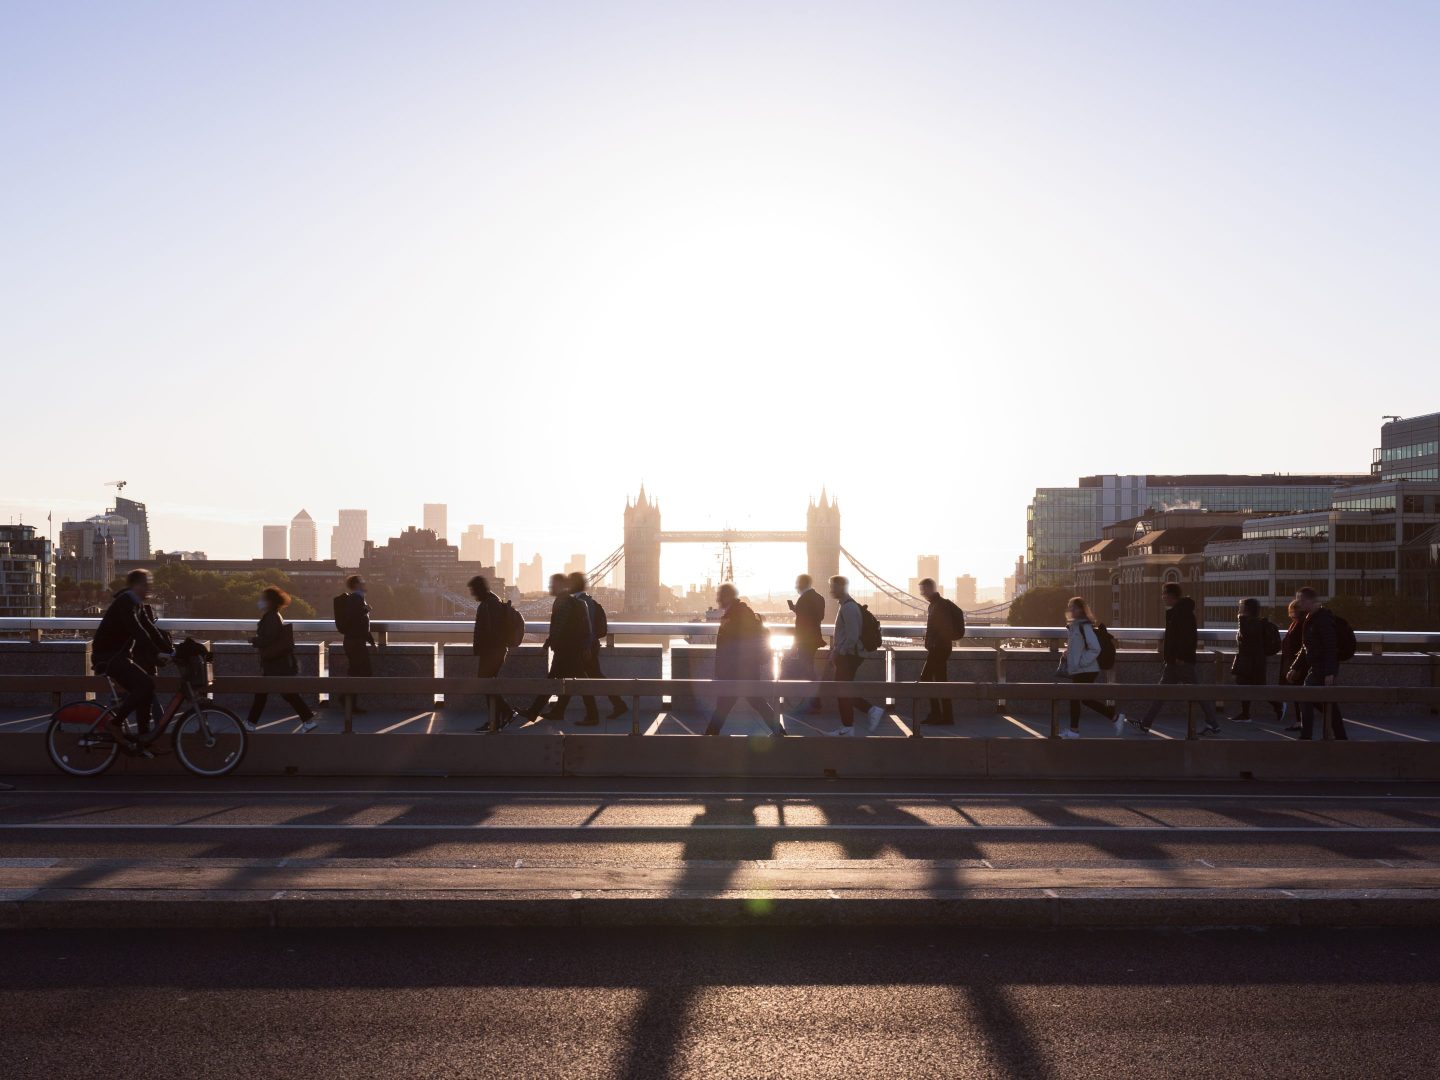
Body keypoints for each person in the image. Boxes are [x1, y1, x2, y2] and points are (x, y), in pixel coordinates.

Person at [1123, 582, 1220, 737]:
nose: (1163, 597)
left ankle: (1146, 724)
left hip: (1180, 662)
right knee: (1175, 692)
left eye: (1164, 594)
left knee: (1192, 692)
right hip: (1176, 662)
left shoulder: (1181, 613)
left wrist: (1179, 657)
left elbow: (1186, 637)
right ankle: (1146, 723)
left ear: (1171, 595)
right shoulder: (1180, 611)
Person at [91, 569, 174, 738]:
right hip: (108, 657)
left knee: (145, 690)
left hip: (118, 656)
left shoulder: (136, 603)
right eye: (145, 585)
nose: (148, 588)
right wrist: (157, 654)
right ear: (135, 585)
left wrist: (171, 650)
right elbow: (138, 631)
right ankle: (115, 724)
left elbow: (150, 629)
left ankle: (144, 738)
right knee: (145, 685)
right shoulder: (125, 602)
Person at [704, 583, 784, 737]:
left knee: (727, 705)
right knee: (752, 703)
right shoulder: (738, 613)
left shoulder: (738, 615)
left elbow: (738, 645)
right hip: (742, 670)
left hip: (738, 671)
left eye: (720, 595)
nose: (717, 599)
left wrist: (725, 669)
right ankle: (780, 733)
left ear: (727, 596)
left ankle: (709, 736)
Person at [523, 574, 596, 725]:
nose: (550, 587)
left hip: (566, 651)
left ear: (561, 586)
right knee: (565, 682)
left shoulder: (563, 602)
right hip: (569, 649)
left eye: (553, 584)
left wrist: (550, 644)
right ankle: (555, 712)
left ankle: (592, 716)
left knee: (574, 683)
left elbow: (559, 627)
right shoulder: (569, 602)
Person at [244, 586, 317, 732]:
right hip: (277, 663)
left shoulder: (271, 617)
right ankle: (308, 720)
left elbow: (269, 638)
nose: (260, 601)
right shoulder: (274, 615)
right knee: (283, 693)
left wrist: (254, 640)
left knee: (275, 693)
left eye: (263, 599)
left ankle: (251, 723)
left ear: (269, 601)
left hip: (276, 664)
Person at [1059, 596, 1128, 738]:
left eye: (1073, 607)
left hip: (1087, 669)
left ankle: (1074, 731)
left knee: (1075, 698)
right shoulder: (1075, 626)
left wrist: (1081, 661)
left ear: (1080, 610)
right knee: (1084, 699)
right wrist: (1069, 653)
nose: (1070, 609)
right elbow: (1080, 647)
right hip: (1082, 669)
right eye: (1069, 606)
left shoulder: (1084, 626)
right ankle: (1114, 717)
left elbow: (1095, 648)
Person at [828, 575, 887, 736]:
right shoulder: (847, 606)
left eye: (832, 587)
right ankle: (849, 726)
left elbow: (852, 636)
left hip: (849, 656)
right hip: (848, 655)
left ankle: (868, 712)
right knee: (842, 690)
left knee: (841, 690)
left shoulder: (848, 607)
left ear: (841, 587)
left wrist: (839, 652)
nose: (831, 590)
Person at [564, 572, 628, 721]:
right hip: (589, 646)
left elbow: (588, 628)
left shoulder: (580, 603)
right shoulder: (590, 602)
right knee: (593, 678)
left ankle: (596, 713)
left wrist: (585, 648)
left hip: (585, 648)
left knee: (589, 679)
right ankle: (616, 705)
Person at [1291, 587, 1348, 740]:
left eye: (1302, 600)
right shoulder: (1310, 618)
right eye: (1298, 600)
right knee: (1326, 703)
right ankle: (1340, 736)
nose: (1299, 603)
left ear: (1312, 601)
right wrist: (1295, 667)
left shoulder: (1323, 619)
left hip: (1323, 669)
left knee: (1307, 697)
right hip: (1316, 668)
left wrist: (1330, 672)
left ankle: (1306, 735)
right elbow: (1306, 647)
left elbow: (1331, 647)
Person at [468, 575, 519, 731]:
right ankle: (495, 719)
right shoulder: (493, 601)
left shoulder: (488, 605)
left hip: (491, 651)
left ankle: (506, 713)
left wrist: (481, 648)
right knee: (489, 684)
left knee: (486, 684)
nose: (472, 594)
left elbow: (489, 631)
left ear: (479, 590)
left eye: (473, 591)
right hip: (496, 650)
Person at [1228, 598, 1283, 723]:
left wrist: (1241, 618)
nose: (1239, 608)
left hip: (1252, 662)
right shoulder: (1253, 622)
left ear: (1247, 609)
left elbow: (1246, 636)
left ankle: (1278, 705)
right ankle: (1245, 714)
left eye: (1241, 606)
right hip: (1251, 660)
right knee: (1245, 687)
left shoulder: (1250, 623)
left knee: (1258, 689)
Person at [916, 578, 962, 726]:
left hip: (939, 649)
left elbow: (943, 628)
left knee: (925, 680)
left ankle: (936, 714)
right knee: (941, 682)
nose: (921, 593)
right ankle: (946, 717)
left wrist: (933, 642)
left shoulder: (939, 606)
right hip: (940, 648)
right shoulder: (934, 605)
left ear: (930, 589)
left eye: (923, 590)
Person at [783, 574, 826, 714]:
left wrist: (794, 643)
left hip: (805, 640)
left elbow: (802, 624)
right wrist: (797, 610)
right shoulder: (819, 597)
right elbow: (817, 617)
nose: (796, 587)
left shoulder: (803, 599)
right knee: (808, 668)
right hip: (814, 639)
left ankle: (814, 702)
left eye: (797, 584)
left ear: (802, 584)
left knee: (807, 669)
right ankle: (814, 701)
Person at [334, 574, 375, 715]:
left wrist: (371, 642)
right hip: (355, 642)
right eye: (362, 581)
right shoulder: (355, 599)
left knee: (356, 672)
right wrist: (364, 610)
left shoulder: (357, 598)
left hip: (354, 642)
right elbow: (355, 620)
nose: (365, 583)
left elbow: (361, 624)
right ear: (356, 584)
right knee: (362, 673)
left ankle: (350, 703)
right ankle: (345, 699)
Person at [1278, 599, 1306, 731]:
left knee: (1299, 693)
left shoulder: (1301, 624)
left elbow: (1300, 645)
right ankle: (1300, 720)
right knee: (1298, 693)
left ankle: (1301, 721)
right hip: (1293, 663)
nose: (1293, 613)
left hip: (1299, 664)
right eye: (1292, 610)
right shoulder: (1295, 624)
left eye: (1295, 611)